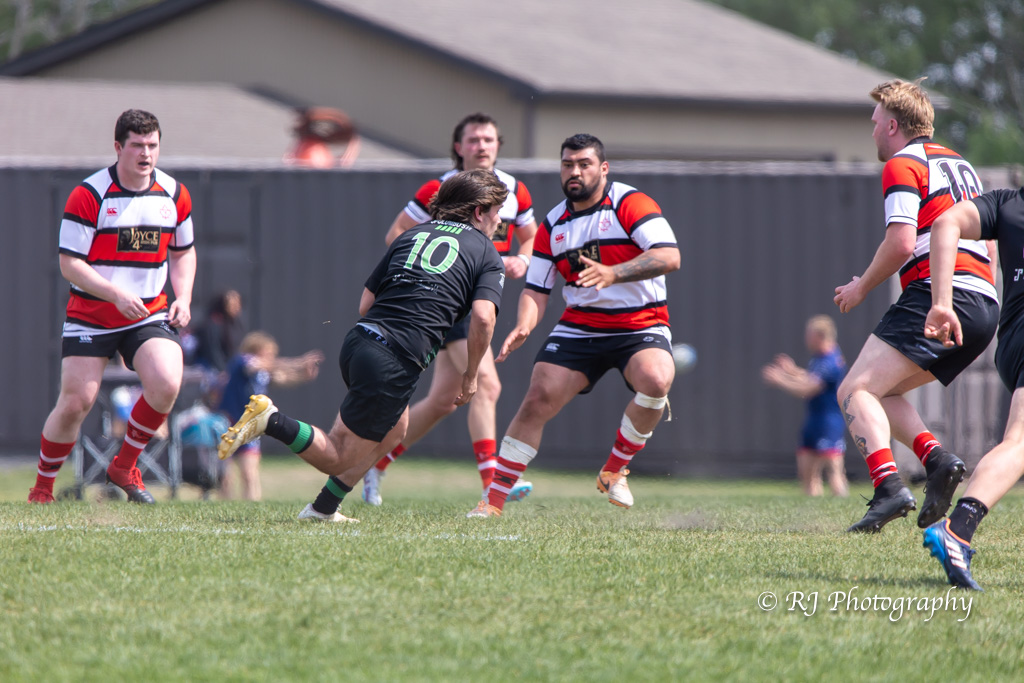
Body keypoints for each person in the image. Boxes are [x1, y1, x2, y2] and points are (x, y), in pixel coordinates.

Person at [217, 169, 507, 522]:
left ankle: (324, 509)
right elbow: (483, 318)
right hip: (393, 361)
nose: (499, 220)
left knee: (396, 429)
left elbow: (365, 304)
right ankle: (272, 420)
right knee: (337, 455)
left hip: (359, 342)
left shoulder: (411, 235)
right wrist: (471, 374)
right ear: (479, 211)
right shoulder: (486, 251)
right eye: (497, 212)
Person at [466, 133, 680, 518]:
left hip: (639, 324)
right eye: (568, 164)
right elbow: (537, 288)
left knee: (657, 380)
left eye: (584, 164)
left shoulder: (630, 203)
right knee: (536, 399)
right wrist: (525, 325)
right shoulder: (553, 224)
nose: (575, 171)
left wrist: (614, 274)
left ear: (603, 168)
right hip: (580, 327)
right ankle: (492, 501)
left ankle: (614, 471)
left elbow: (669, 256)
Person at [833, 79, 998, 532]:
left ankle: (888, 487)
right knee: (884, 392)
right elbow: (990, 240)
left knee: (853, 391)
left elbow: (903, 241)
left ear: (892, 125)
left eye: (873, 124)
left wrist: (861, 287)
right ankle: (938, 460)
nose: (871, 134)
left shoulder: (904, 163)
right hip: (984, 303)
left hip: (941, 293)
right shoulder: (962, 165)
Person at [363, 113, 538, 506]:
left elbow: (530, 236)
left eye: (489, 139)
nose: (482, 146)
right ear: (458, 147)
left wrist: (521, 262)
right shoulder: (438, 188)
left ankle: (373, 464)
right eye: (473, 140)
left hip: (471, 297)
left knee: (443, 401)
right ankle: (493, 482)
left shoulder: (514, 190)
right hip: (447, 299)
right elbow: (395, 235)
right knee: (487, 386)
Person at [28, 109, 196, 505]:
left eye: (152, 145)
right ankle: (42, 489)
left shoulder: (174, 194)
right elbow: (70, 263)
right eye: (137, 145)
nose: (146, 154)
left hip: (149, 312)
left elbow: (183, 253)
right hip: (93, 313)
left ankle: (124, 465)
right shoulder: (90, 194)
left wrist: (184, 297)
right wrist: (115, 294)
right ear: (118, 147)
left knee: (167, 381)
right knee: (76, 403)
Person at [921, 186, 1024, 590]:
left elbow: (945, 220)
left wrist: (942, 300)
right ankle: (958, 530)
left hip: (1012, 338)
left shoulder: (1007, 203)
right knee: (1018, 444)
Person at [216, 332, 324, 500]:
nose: (271, 357)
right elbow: (259, 365)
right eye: (268, 352)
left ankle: (250, 506)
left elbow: (282, 379)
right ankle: (224, 504)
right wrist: (299, 362)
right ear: (257, 349)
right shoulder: (243, 360)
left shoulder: (263, 371)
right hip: (229, 422)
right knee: (225, 475)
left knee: (249, 474)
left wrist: (303, 376)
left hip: (250, 425)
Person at [762, 315, 849, 497]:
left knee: (833, 472)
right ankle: (813, 508)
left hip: (829, 421)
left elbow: (810, 388)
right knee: (808, 472)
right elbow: (810, 377)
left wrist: (780, 379)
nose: (806, 339)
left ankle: (842, 504)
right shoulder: (819, 358)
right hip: (814, 418)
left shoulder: (830, 360)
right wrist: (791, 371)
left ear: (820, 336)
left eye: (809, 335)